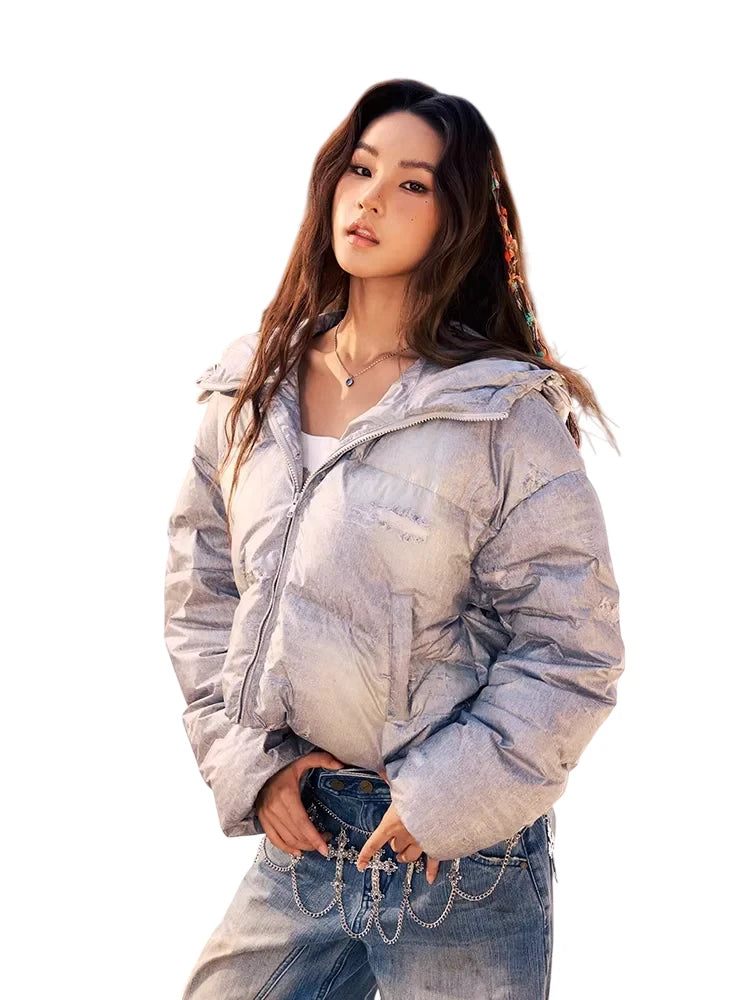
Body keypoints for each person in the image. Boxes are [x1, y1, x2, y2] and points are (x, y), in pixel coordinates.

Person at [163, 78, 625, 1000]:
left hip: (458, 864)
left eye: (413, 183)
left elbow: (572, 649)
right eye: (361, 169)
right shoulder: (250, 390)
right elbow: (203, 593)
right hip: (303, 835)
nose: (371, 198)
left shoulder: (499, 416)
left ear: (457, 220)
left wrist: (445, 804)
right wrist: (256, 770)